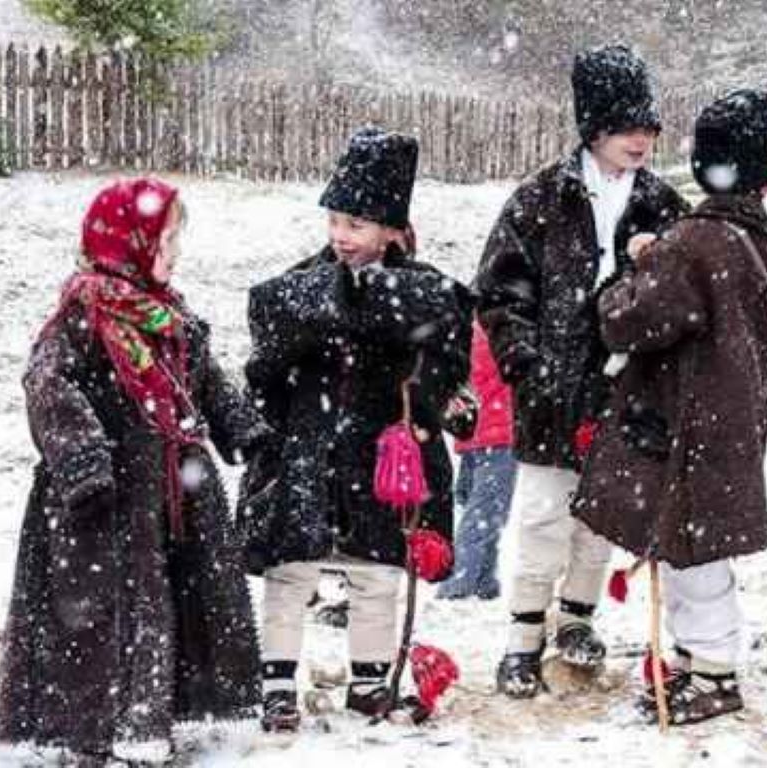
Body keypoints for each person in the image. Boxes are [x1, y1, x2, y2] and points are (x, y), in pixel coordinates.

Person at [0, 179, 268, 763]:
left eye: (174, 241)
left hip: (173, 494)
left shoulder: (169, 315)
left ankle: (167, 716)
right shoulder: (83, 314)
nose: (174, 254)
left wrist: (241, 427)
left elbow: (204, 377)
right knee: (106, 616)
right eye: (165, 242)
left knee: (181, 602)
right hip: (105, 502)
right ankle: (96, 726)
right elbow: (47, 387)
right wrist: (84, 460)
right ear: (126, 244)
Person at [239, 127, 472, 731]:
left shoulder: (427, 293)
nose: (342, 235)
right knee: (291, 574)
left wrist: (425, 382)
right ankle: (277, 687)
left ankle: (370, 685)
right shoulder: (298, 288)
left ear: (393, 230)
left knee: (378, 572)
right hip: (308, 449)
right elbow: (265, 344)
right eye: (336, 220)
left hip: (384, 457)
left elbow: (447, 354)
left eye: (359, 224)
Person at [476, 43, 690, 698]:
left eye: (649, 127)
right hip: (550, 385)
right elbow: (498, 292)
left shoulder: (662, 203)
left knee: (602, 514)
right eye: (627, 126)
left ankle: (578, 616)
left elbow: (682, 297)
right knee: (543, 515)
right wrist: (527, 363)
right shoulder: (540, 197)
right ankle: (522, 637)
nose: (641, 139)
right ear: (593, 126)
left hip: (625, 387)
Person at [574, 89, 767, 725]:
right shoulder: (752, 239)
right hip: (730, 418)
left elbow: (629, 322)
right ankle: (697, 661)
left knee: (692, 552)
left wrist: (624, 277)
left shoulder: (693, 241)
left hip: (690, 423)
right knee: (695, 546)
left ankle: (714, 672)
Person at [437, 321, 519, 600]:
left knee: (483, 510)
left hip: (475, 433)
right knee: (484, 512)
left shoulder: (465, 333)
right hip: (499, 432)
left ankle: (484, 579)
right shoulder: (498, 334)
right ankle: (461, 581)